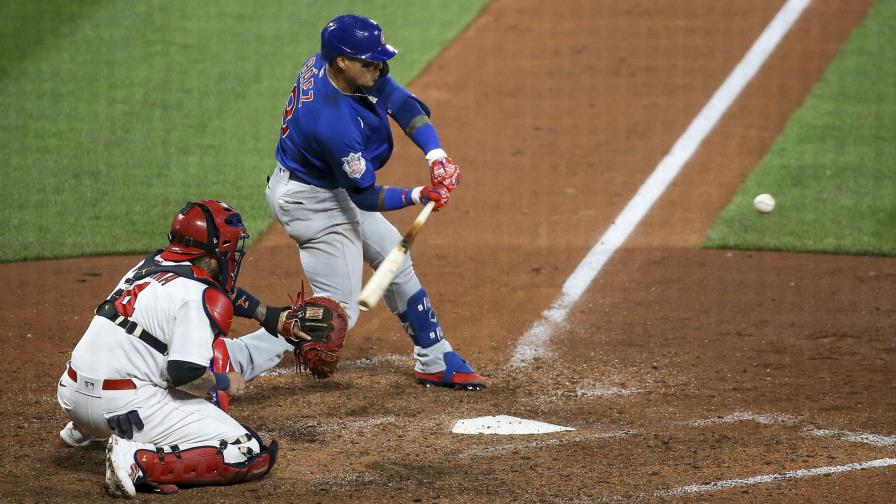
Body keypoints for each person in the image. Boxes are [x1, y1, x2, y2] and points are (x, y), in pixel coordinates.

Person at [264, 14, 486, 390]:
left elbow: (398, 99)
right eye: (369, 62)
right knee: (334, 316)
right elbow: (365, 195)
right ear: (342, 61)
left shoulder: (335, 65)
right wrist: (419, 194)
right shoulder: (332, 123)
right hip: (311, 202)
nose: (378, 68)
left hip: (327, 186)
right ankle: (234, 358)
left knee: (393, 258)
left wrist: (436, 156)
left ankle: (434, 359)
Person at [56, 200, 305, 497]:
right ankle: (135, 460)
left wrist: (270, 316)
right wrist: (226, 381)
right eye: (230, 249)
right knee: (246, 450)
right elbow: (184, 374)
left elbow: (217, 293)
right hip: (121, 408)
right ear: (213, 253)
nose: (233, 256)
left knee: (142, 345)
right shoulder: (198, 294)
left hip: (73, 396)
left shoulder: (152, 264)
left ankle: (83, 429)